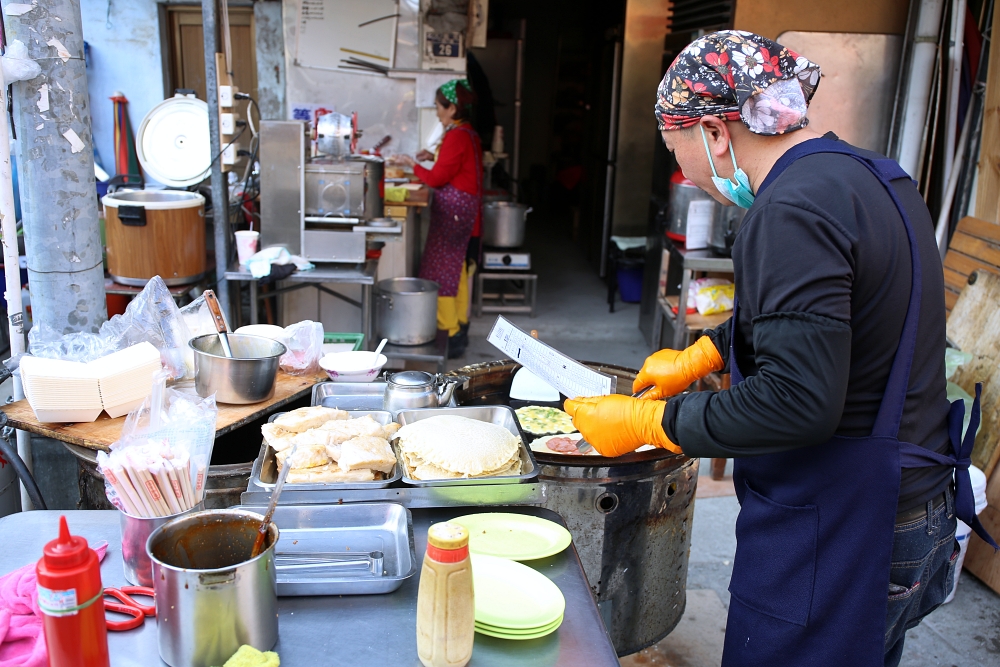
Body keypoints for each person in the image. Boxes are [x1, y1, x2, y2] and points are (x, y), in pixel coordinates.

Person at [565, 31, 997, 666]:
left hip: (848, 526)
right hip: (917, 502)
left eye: (675, 149)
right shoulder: (871, 176)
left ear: (714, 132)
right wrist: (709, 352)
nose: (682, 173)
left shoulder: (789, 209)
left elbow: (796, 404)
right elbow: (832, 319)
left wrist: (649, 422)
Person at [393, 79, 482, 358]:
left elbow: (436, 177)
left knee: (439, 272)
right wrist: (432, 155)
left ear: (452, 107)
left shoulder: (456, 135)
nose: (436, 112)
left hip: (453, 215)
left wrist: (411, 163)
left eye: (438, 107)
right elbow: (455, 165)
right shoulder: (466, 132)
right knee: (454, 269)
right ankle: (459, 328)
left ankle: (450, 334)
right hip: (464, 213)